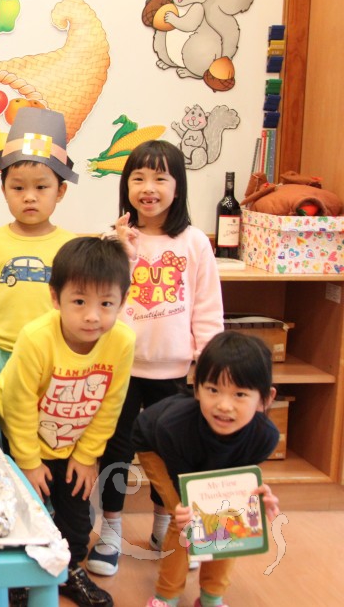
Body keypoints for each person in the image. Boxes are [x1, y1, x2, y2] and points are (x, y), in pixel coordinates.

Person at [88, 140, 223, 577]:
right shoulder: (113, 240)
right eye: (138, 178)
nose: (148, 188)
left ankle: (168, 524)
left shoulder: (194, 242)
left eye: (160, 178)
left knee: (172, 450)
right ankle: (111, 528)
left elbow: (207, 309)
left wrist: (208, 366)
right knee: (116, 448)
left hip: (175, 370)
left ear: (177, 186)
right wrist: (121, 252)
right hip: (122, 368)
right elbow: (102, 302)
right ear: (126, 186)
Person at [0, 237, 134, 607]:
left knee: (76, 523)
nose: (92, 316)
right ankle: (19, 580)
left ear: (123, 300)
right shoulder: (36, 338)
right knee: (25, 513)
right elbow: (18, 404)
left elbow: (111, 405)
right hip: (22, 436)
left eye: (106, 304)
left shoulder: (122, 341)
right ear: (55, 298)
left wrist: (87, 456)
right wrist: (28, 461)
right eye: (79, 302)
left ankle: (68, 571)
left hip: (74, 443)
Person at [134, 332, 281, 607]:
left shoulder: (265, 437)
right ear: (197, 388)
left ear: (265, 399)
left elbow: (237, 486)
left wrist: (255, 501)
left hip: (195, 452)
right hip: (157, 447)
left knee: (230, 521)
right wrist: (194, 511)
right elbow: (188, 492)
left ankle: (211, 597)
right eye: (213, 390)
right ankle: (166, 597)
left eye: (240, 394)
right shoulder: (173, 427)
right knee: (184, 522)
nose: (224, 405)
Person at [0, 107, 78, 382]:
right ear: (4, 190)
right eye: (18, 188)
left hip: (51, 353)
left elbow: (76, 304)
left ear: (60, 191)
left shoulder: (71, 246)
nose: (29, 197)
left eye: (41, 187)